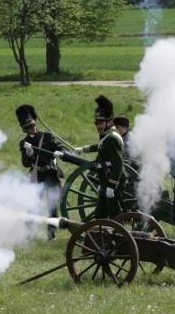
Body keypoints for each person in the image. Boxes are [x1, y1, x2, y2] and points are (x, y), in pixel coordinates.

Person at [16, 104, 65, 240]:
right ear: (24, 129)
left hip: (51, 174)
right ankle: (28, 232)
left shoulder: (47, 137)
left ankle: (52, 232)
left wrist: (59, 152)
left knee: (53, 204)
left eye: (31, 126)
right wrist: (29, 153)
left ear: (35, 123)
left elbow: (60, 147)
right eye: (27, 128)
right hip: (36, 175)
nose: (31, 130)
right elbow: (25, 164)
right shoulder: (24, 143)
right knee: (32, 204)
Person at [75, 95, 125, 219]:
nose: (98, 125)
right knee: (101, 213)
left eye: (100, 122)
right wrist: (82, 149)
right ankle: (99, 236)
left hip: (112, 181)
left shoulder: (112, 138)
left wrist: (112, 186)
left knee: (114, 216)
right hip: (105, 179)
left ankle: (117, 238)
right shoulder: (106, 135)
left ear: (109, 121)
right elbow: (101, 147)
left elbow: (118, 165)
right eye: (96, 122)